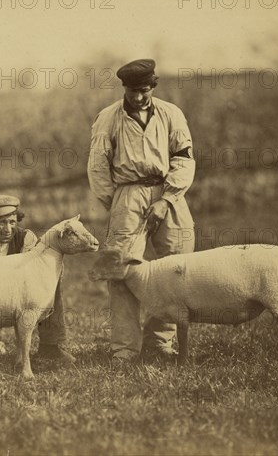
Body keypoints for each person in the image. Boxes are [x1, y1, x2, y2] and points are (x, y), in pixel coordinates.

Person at [87, 59, 196, 362]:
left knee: (178, 265)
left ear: (153, 86)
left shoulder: (171, 113)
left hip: (168, 191)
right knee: (120, 269)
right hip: (127, 193)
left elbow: (184, 158)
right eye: (132, 91)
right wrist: (117, 202)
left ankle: (159, 340)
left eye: (143, 90)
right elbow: (97, 165)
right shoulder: (108, 117)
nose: (137, 97)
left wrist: (167, 199)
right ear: (124, 88)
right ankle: (124, 349)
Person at [0, 194, 75, 364]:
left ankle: (50, 346)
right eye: (2, 222)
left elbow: (34, 281)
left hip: (15, 297)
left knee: (50, 281)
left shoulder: (26, 239)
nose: (8, 229)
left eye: (12, 222)